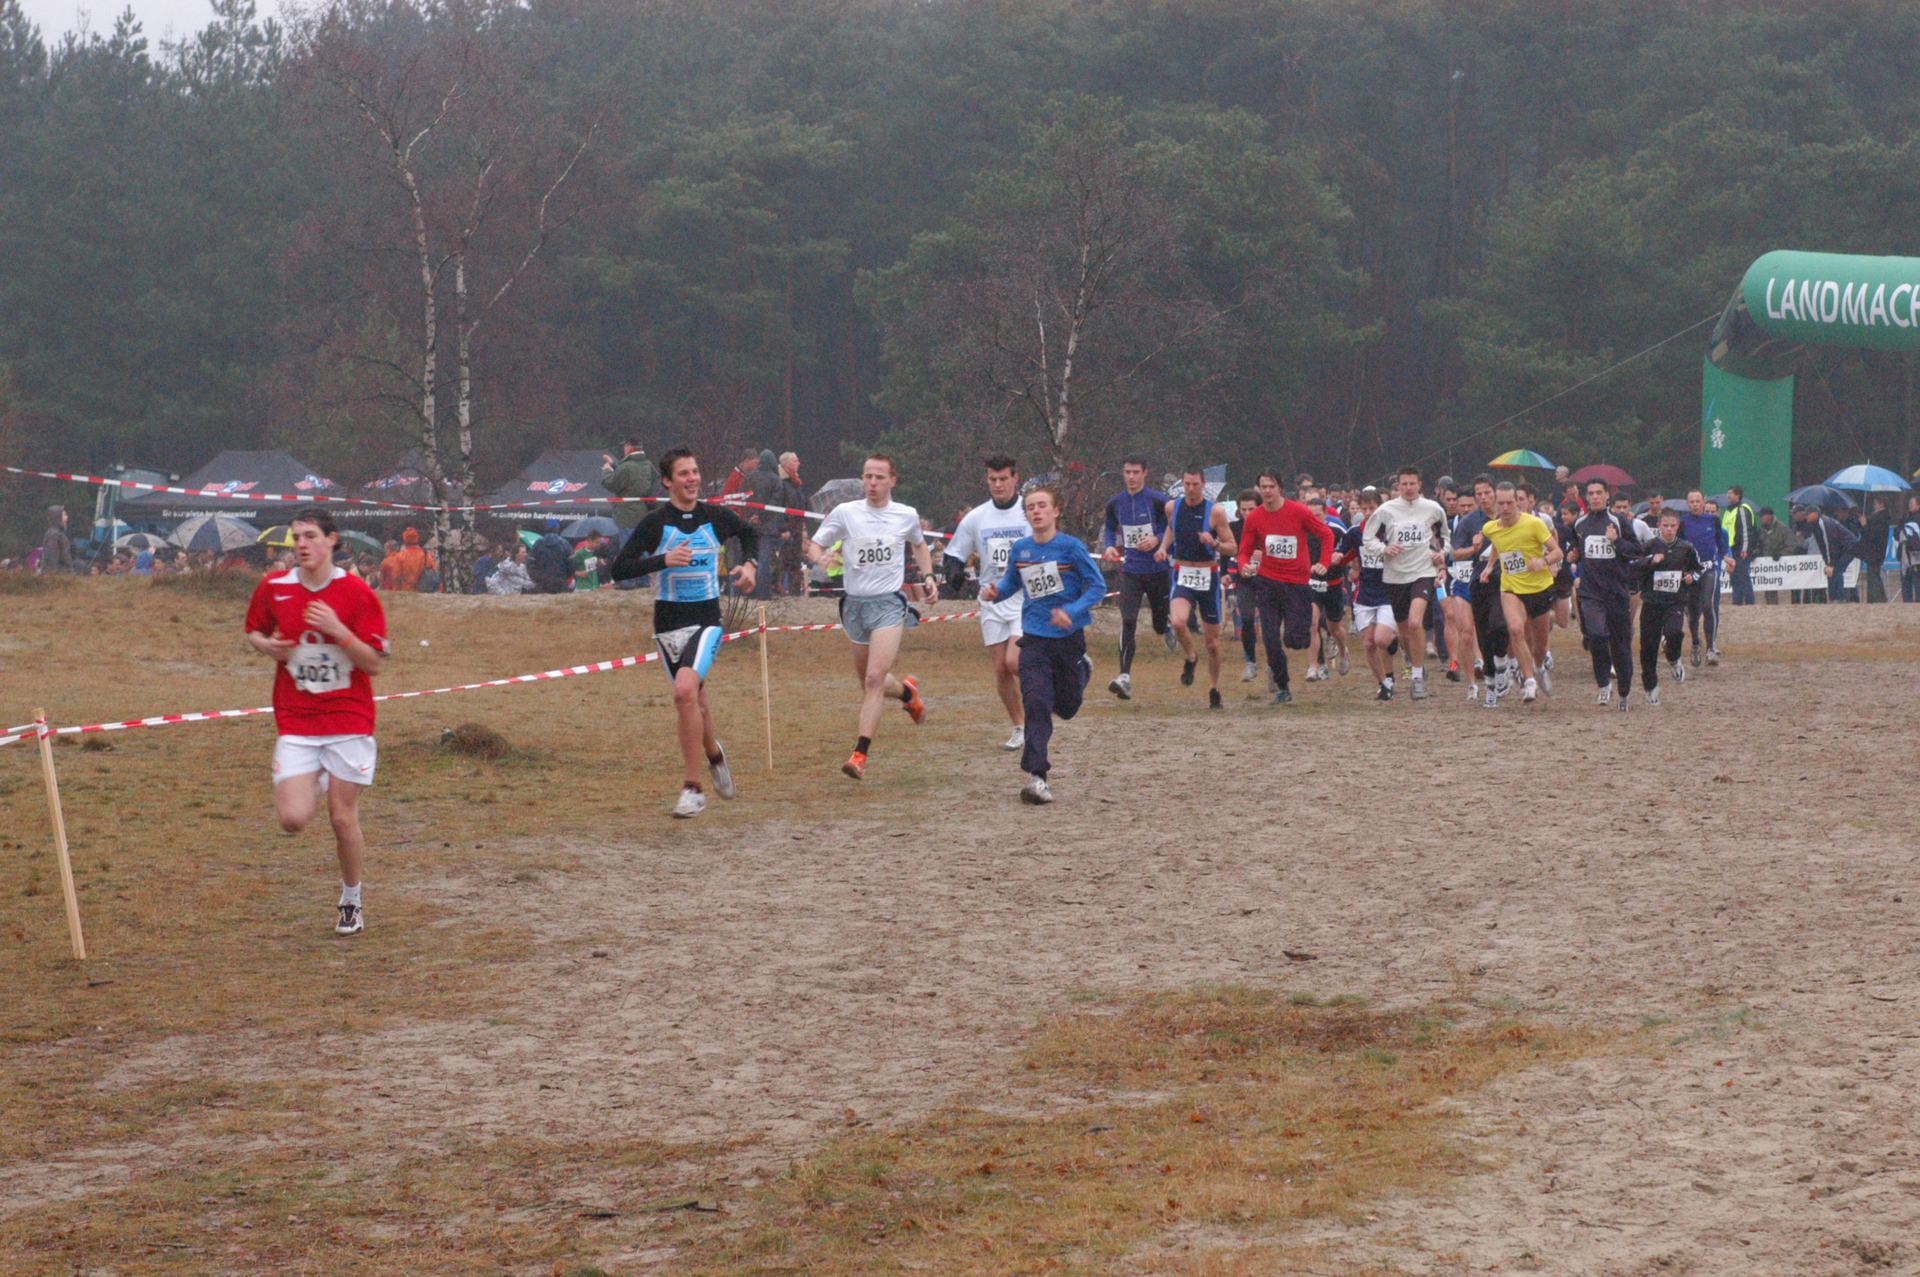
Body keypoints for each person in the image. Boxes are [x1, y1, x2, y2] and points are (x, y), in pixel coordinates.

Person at [244, 507, 390, 936]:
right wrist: (268, 646)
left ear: (332, 540)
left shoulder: (356, 593)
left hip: (348, 717)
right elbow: (254, 631)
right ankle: (320, 775)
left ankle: (351, 901)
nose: (301, 544)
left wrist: (338, 630)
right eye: (297, 537)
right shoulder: (274, 587)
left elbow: (374, 663)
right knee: (292, 820)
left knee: (342, 818)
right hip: (297, 718)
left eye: (310, 536)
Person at [605, 448, 758, 817]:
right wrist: (662, 560)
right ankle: (714, 754)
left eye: (695, 471)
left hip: (706, 621)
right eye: (684, 473)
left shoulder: (714, 517)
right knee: (696, 703)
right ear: (667, 481)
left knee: (684, 692)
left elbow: (749, 533)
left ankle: (693, 789)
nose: (693, 479)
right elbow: (619, 569)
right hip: (668, 625)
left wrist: (750, 565)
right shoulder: (655, 524)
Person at [807, 454, 936, 780]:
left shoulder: (905, 515)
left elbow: (919, 545)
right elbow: (814, 545)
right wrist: (822, 558)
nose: (873, 483)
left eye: (879, 477)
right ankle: (907, 693)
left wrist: (929, 576)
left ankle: (859, 755)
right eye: (868, 476)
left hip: (889, 604)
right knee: (868, 682)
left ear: (893, 480)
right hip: (855, 606)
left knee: (874, 679)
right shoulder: (846, 513)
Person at [980, 485, 1105, 804]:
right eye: (1030, 507)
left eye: (1041, 505)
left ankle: (1083, 670)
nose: (1035, 511)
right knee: (1036, 704)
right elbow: (1012, 583)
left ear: (1055, 511)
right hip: (1034, 639)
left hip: (1068, 640)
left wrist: (1071, 611)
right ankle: (1037, 777)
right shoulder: (1021, 549)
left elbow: (1097, 586)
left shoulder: (1071, 548)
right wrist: (996, 593)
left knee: (1067, 708)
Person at [943, 454, 1033, 751]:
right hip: (991, 599)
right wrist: (954, 572)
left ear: (1015, 478)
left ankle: (1051, 683)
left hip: (1024, 597)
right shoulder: (977, 517)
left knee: (1014, 661)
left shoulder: (1029, 511)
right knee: (1000, 670)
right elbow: (954, 552)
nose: (998, 485)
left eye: (1003, 479)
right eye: (992, 479)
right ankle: (1019, 726)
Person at [1236, 470, 1332, 705]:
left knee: (1295, 640)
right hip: (1267, 583)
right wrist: (1244, 566)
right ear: (1259, 489)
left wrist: (1324, 562)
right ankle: (1282, 685)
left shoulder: (1298, 511)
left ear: (1279, 487)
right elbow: (1244, 551)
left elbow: (1326, 535)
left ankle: (1288, 655)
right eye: (1263, 487)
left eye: (1271, 486)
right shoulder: (1255, 518)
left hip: (1296, 584)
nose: (1267, 491)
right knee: (1270, 638)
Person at [1360, 466, 1449, 701]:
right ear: (1398, 486)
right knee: (1404, 633)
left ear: (1420, 484)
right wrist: (1384, 549)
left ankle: (1417, 678)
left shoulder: (1433, 509)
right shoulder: (1386, 511)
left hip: (1422, 572)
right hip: (1394, 577)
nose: (1408, 488)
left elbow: (1444, 537)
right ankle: (1415, 660)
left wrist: (1442, 554)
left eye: (1412, 483)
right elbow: (1368, 538)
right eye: (1404, 484)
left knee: (1414, 622)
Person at [1160, 465, 1239, 710]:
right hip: (1183, 573)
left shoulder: (1214, 512)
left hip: (1208, 576)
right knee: (1178, 622)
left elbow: (1232, 547)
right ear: (1182, 484)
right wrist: (1163, 547)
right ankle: (1191, 657)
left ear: (1203, 484)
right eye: (1187, 484)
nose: (1191, 489)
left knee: (1212, 643)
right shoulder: (1172, 507)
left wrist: (1214, 543)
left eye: (1195, 484)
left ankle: (1214, 688)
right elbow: (1171, 528)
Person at [1480, 481, 1563, 705]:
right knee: (1515, 629)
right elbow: (1498, 544)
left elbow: (1558, 552)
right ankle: (1529, 681)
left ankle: (1539, 668)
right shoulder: (1490, 528)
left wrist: (1543, 561)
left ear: (1518, 502)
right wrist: (1490, 565)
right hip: (1511, 588)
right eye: (1501, 503)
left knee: (1539, 646)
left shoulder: (1534, 524)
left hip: (1539, 588)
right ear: (1495, 504)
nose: (1505, 508)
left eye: (1510, 503)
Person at [1100, 457, 1174, 699]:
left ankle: (1167, 624)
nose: (1131, 477)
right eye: (1127, 472)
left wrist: (1157, 539)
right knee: (1128, 620)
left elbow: (1172, 527)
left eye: (1135, 472)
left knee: (1158, 625)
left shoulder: (1158, 500)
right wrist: (1110, 546)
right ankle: (1124, 676)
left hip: (1157, 570)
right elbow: (1110, 527)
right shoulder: (1115, 503)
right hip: (1131, 571)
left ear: (1145, 473)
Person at [1570, 478, 1644, 710]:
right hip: (1591, 593)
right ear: (1586, 496)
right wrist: (1572, 556)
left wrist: (1617, 541)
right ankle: (1603, 684)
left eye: (1599, 492)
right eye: (1591, 493)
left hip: (1616, 593)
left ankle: (1624, 693)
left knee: (1621, 646)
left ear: (1607, 496)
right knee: (1596, 636)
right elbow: (1575, 548)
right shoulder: (1580, 523)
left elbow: (1637, 552)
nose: (1594, 497)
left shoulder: (1619, 521)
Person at [1637, 509, 1704, 705]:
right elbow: (1634, 566)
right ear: (1659, 526)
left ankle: (1674, 658)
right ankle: (1651, 688)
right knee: (1648, 648)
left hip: (1675, 601)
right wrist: (1650, 561)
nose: (1668, 529)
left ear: (1678, 526)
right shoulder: (1649, 546)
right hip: (1651, 602)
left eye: (1672, 526)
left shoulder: (1686, 548)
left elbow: (1698, 569)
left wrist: (1691, 577)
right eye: (1665, 526)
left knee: (1674, 633)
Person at [1678, 489, 1730, 662]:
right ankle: (1695, 642)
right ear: (1687, 504)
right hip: (1691, 572)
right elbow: (1679, 547)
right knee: (1693, 613)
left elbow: (1721, 544)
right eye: (1691, 502)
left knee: (1708, 605)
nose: (1695, 505)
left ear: (1703, 502)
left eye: (1697, 501)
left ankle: (1711, 648)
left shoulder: (1713, 520)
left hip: (1709, 569)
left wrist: (1726, 557)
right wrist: (1684, 570)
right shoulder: (1683, 522)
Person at [1303, 493, 1350, 681]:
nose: (1314, 519)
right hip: (1312, 584)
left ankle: (1343, 651)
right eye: (1310, 516)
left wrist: (1341, 558)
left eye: (1318, 515)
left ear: (1325, 514)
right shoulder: (1302, 531)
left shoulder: (1336, 528)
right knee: (1312, 623)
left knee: (1334, 628)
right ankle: (1314, 666)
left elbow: (1351, 547)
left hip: (1333, 584)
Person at [1227, 489, 1261, 683]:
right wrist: (1224, 573)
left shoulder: (1267, 525)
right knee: (1246, 619)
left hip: (1267, 579)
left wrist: (1263, 556)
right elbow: (1227, 550)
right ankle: (1250, 662)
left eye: (1251, 509)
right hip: (1244, 580)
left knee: (1270, 623)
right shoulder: (1234, 528)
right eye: (1244, 509)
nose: (1247, 513)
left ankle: (1274, 663)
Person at [601, 436, 658, 540]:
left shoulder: (626, 466)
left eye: (624, 446)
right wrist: (614, 465)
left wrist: (607, 471)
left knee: (627, 547)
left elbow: (611, 484)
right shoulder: (647, 464)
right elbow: (632, 475)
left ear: (629, 447)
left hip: (626, 517)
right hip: (644, 514)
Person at [1798, 503, 1857, 602]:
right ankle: (1833, 598)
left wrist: (1830, 562)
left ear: (1815, 514)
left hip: (1849, 547)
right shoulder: (1814, 524)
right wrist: (1827, 561)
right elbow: (1821, 544)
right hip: (1840, 548)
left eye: (1808, 514)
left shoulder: (1823, 523)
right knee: (1831, 571)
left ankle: (1840, 598)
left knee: (1837, 570)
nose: (1806, 516)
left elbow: (1828, 543)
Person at [772, 452, 809, 595]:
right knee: (783, 560)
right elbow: (778, 507)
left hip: (797, 526)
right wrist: (783, 528)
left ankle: (795, 592)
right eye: (795, 460)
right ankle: (778, 589)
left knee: (796, 560)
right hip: (786, 527)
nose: (798, 463)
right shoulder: (780, 482)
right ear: (786, 464)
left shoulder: (796, 482)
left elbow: (801, 503)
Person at [1724, 485, 1757, 605]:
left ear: (1738, 495)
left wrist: (1745, 549)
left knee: (1743, 576)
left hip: (1741, 549)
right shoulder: (1729, 510)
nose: (1728, 495)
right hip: (1731, 549)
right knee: (1734, 577)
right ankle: (1737, 601)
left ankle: (1749, 602)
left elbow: (1746, 531)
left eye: (1731, 493)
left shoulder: (1742, 509)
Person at [380, 527, 436, 592]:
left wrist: (396, 591)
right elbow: (433, 571)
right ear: (417, 539)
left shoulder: (400, 556)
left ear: (405, 540)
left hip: (406, 592)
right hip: (423, 592)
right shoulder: (426, 555)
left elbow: (396, 577)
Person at [527, 520, 574, 593]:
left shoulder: (538, 544)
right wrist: (565, 576)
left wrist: (538, 578)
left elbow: (530, 564)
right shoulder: (565, 543)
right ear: (557, 529)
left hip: (543, 584)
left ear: (545, 528)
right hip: (560, 582)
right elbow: (572, 565)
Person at [1862, 495, 1893, 604]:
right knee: (1873, 574)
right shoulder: (1880, 517)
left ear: (1881, 504)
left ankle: (1877, 599)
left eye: (1875, 504)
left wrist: (1865, 525)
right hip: (1876, 550)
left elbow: (1872, 535)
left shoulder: (1880, 518)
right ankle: (1878, 598)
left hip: (1875, 550)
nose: (1874, 506)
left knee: (1873, 575)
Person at [38, 506, 73, 575]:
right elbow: (51, 558)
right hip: (57, 576)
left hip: (62, 574)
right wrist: (53, 576)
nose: (67, 517)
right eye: (64, 515)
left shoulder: (59, 534)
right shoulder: (53, 535)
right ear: (57, 517)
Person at [1899, 495, 1920, 603]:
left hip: (1917, 552)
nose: (1909, 505)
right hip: (1905, 551)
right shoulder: (1905, 516)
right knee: (1905, 576)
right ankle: (1907, 601)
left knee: (1917, 576)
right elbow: (1897, 531)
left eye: (1912, 503)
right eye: (1909, 503)